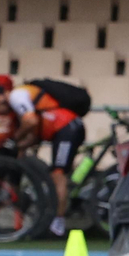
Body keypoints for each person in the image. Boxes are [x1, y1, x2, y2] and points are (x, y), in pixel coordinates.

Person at [9, 82, 85, 237]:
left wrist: (15, 138)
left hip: (67, 129)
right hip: (66, 129)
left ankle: (58, 223)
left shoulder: (17, 98)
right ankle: (57, 216)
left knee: (58, 174)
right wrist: (19, 147)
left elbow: (31, 123)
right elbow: (33, 136)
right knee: (56, 173)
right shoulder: (35, 105)